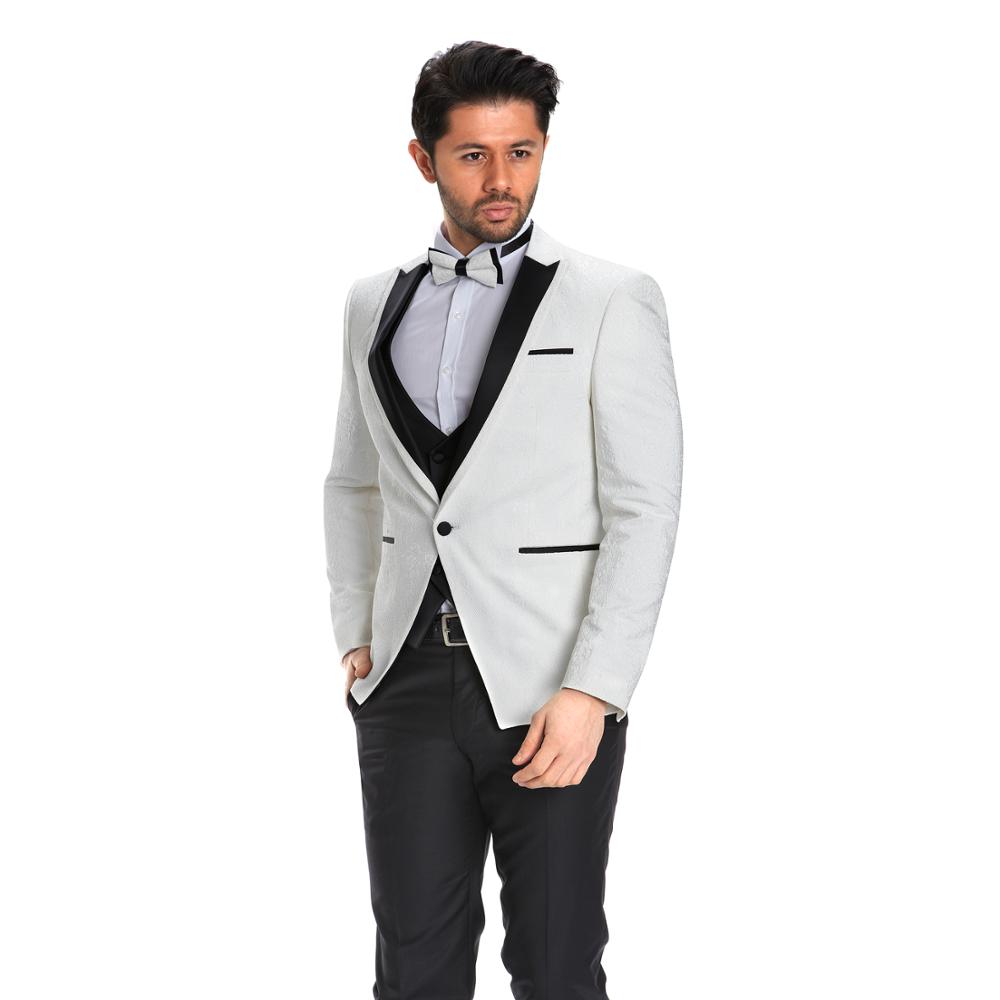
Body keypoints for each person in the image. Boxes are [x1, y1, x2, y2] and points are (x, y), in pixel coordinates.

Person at [323, 39, 683, 1000]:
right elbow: (353, 482)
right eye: (474, 155)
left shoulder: (611, 298)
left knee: (557, 968)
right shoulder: (371, 303)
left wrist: (595, 688)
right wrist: (358, 633)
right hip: (405, 680)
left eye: (521, 152)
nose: (501, 180)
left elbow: (645, 505)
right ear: (424, 158)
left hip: (547, 689)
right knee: (413, 970)